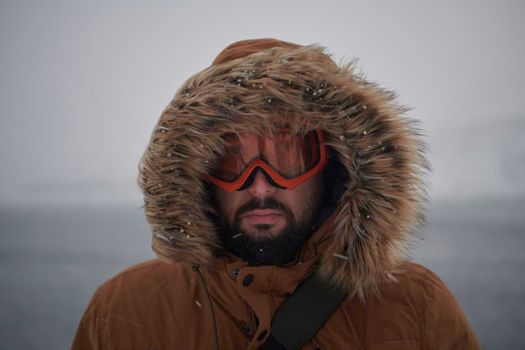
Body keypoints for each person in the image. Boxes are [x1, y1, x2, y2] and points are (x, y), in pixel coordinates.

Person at [72, 38, 480, 349]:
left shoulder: (417, 308)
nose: (261, 183)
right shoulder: (124, 312)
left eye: (289, 156)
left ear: (335, 167)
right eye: (233, 160)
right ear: (197, 175)